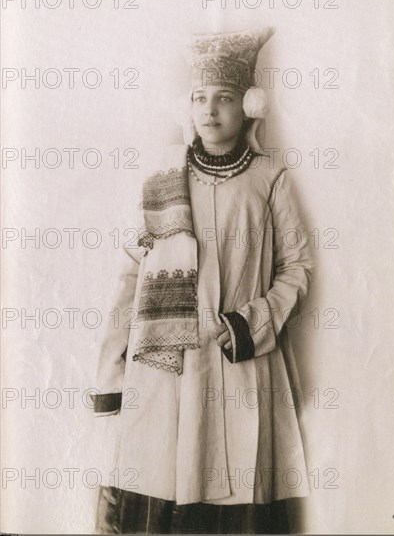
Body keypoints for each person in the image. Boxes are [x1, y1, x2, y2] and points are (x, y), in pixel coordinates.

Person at [91, 26, 314, 534]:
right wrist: (111, 371)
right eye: (199, 98)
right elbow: (132, 274)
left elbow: (297, 268)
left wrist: (248, 324)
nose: (210, 109)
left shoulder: (268, 178)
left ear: (249, 106)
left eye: (224, 98)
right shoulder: (164, 180)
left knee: (234, 479)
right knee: (161, 475)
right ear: (187, 108)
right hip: (167, 367)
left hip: (238, 357)